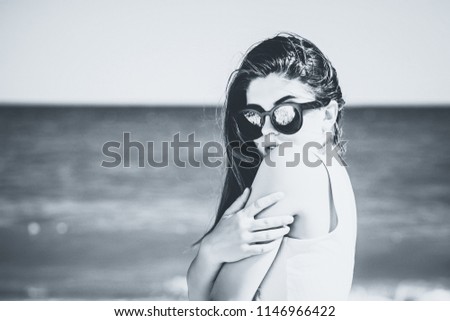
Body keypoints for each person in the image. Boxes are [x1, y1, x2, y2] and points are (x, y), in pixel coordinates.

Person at [187, 32, 357, 300]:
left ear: (328, 114)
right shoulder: (335, 172)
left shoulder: (288, 164)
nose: (266, 130)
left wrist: (206, 257)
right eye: (253, 117)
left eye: (285, 113)